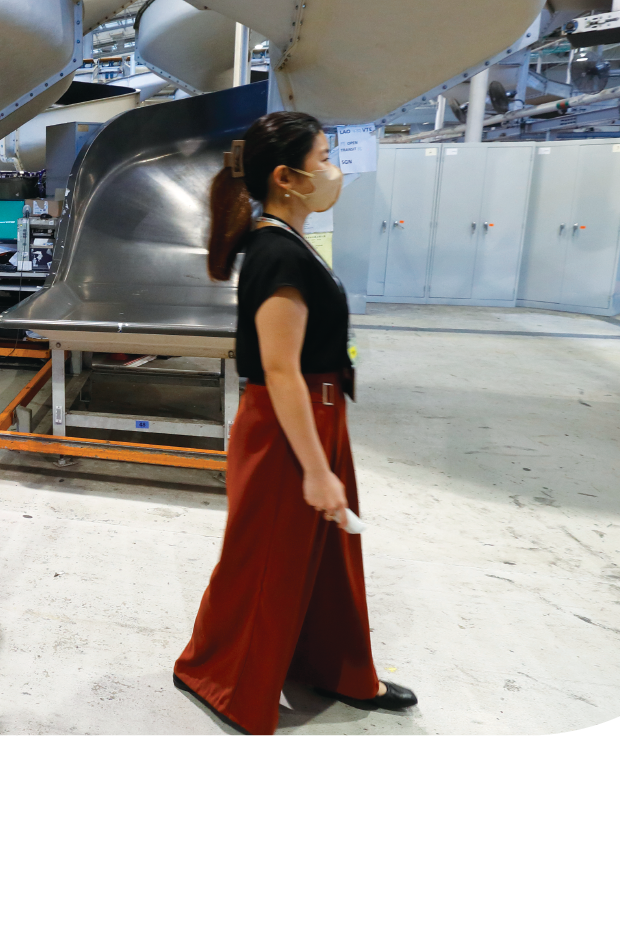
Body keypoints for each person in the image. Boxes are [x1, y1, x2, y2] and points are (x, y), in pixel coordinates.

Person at [172, 111, 416, 736]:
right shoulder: (276, 252)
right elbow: (280, 371)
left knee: (328, 558)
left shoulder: (291, 241)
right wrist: (315, 470)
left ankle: (335, 668)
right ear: (287, 177)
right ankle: (222, 678)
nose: (334, 170)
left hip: (317, 415)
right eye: (324, 158)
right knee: (267, 564)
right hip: (290, 426)